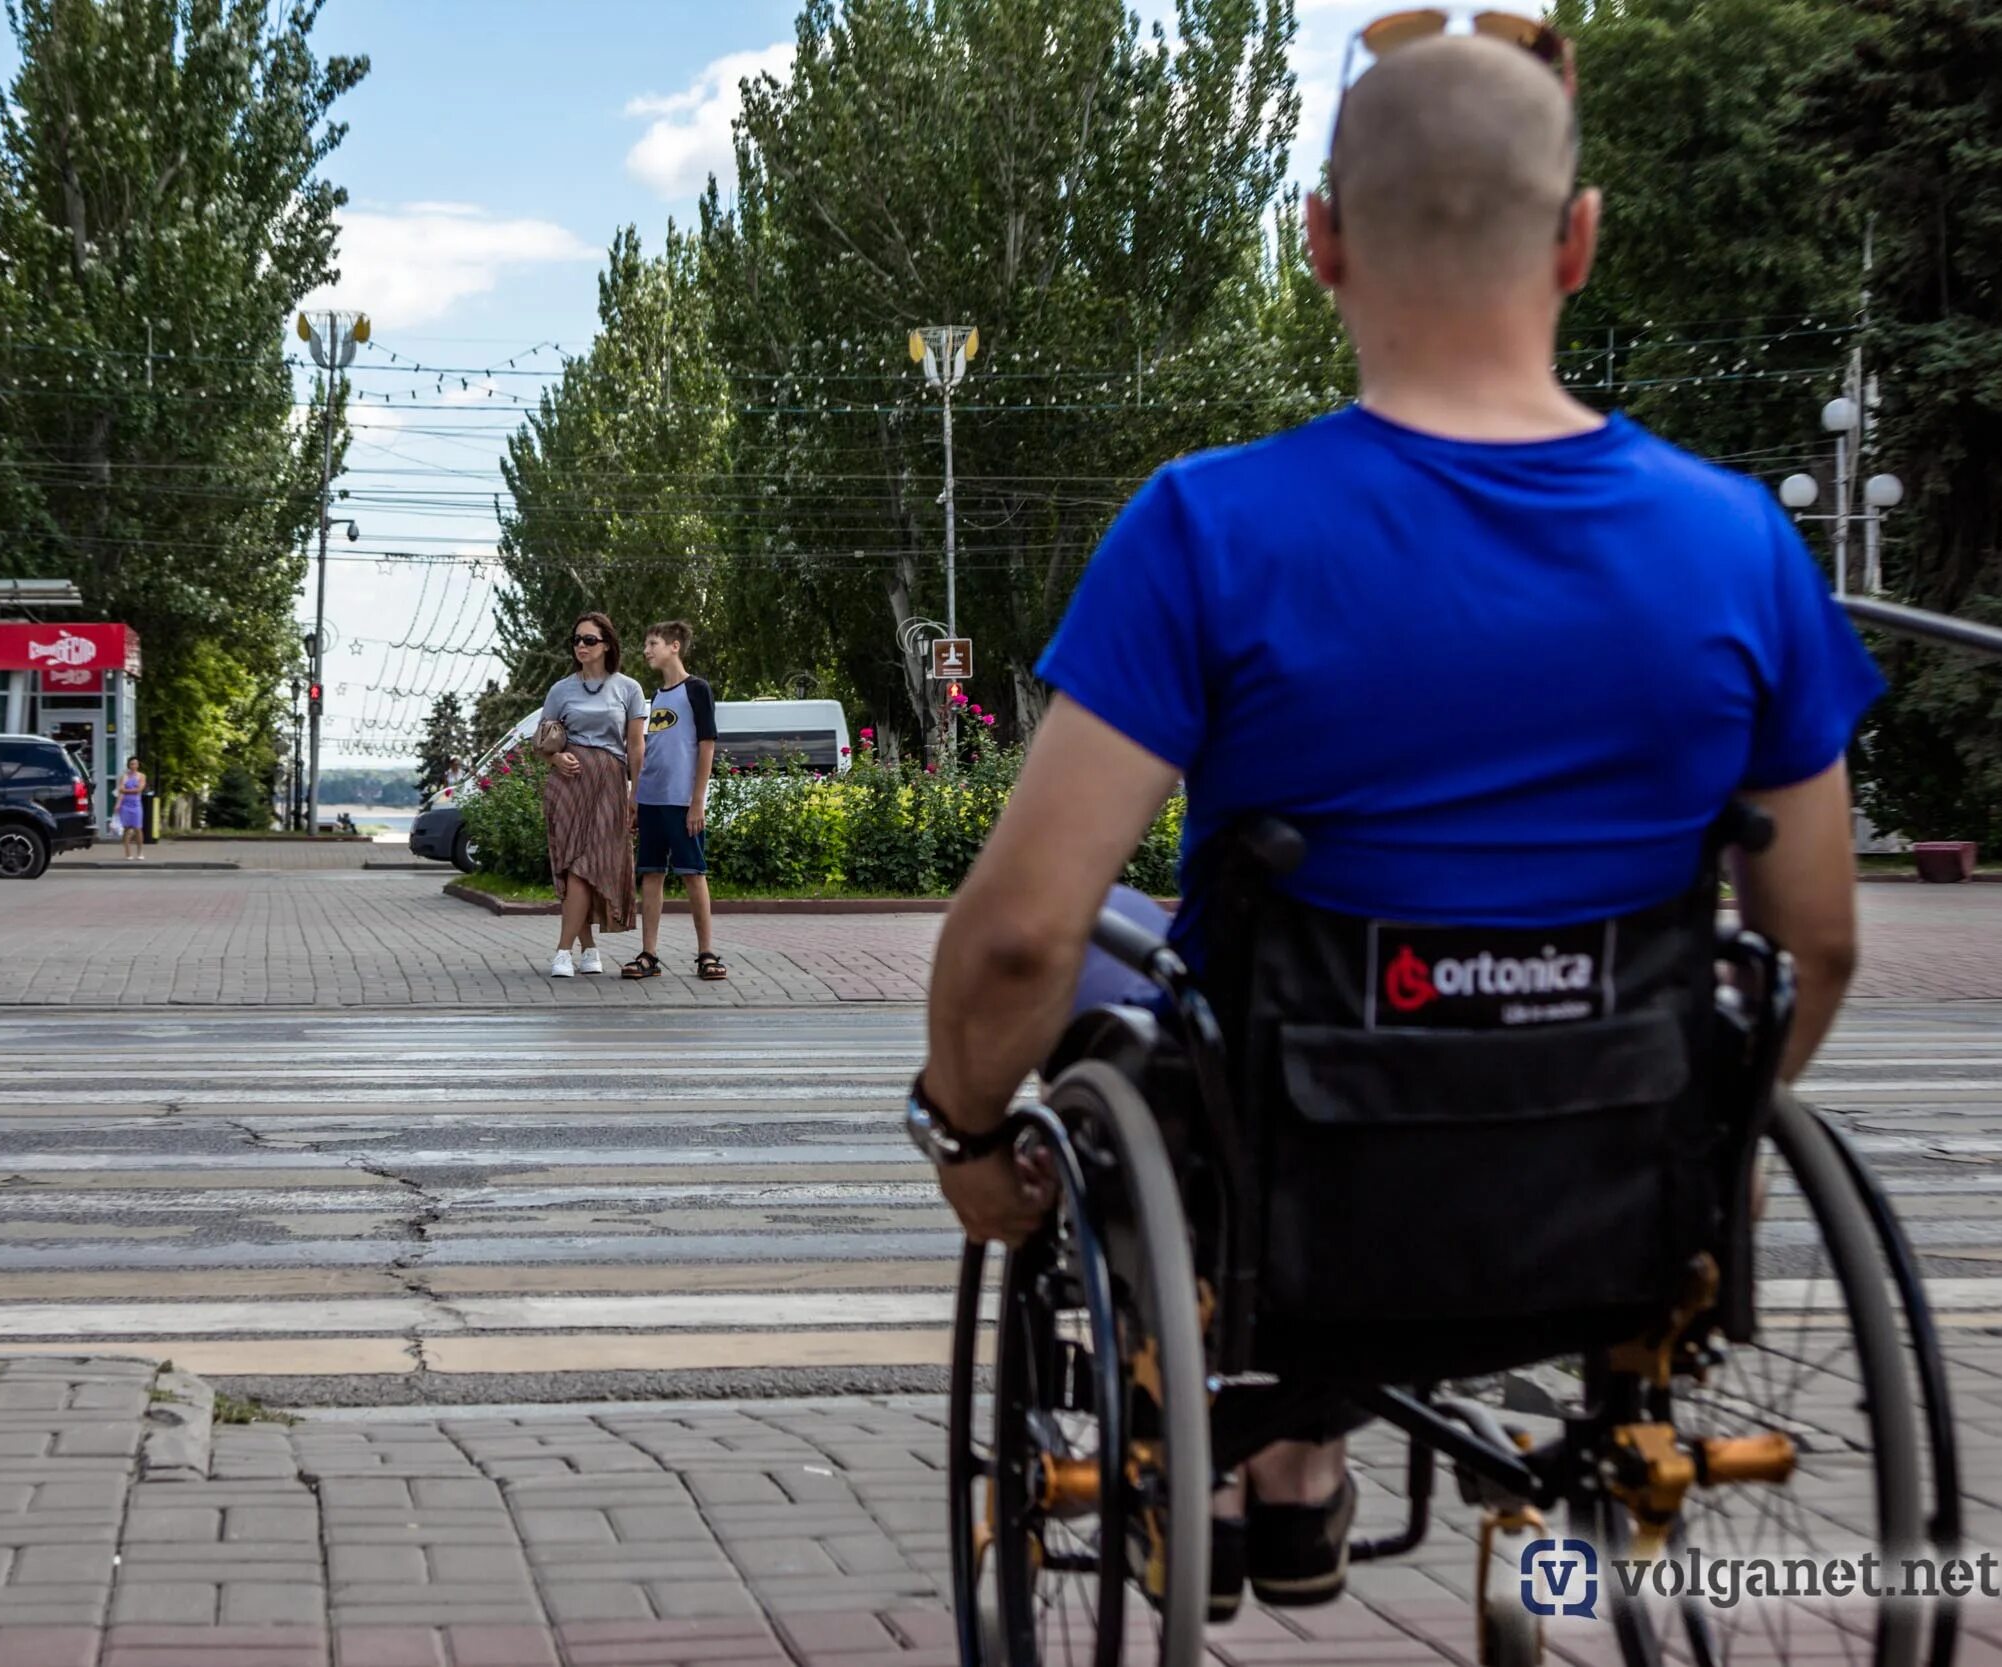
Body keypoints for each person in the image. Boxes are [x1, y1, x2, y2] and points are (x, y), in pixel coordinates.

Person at [916, 21, 1882, 1615]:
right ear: (1578, 238)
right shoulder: (1740, 545)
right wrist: (1700, 1143)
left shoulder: (1209, 528)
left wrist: (964, 1131)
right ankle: (1309, 1454)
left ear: (1320, 242)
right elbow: (1820, 943)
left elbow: (1019, 928)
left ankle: (1273, 1446)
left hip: (1302, 1155)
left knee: (1112, 965)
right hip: (1611, 1164)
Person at [541, 611, 646, 978]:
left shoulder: (629, 688)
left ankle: (563, 951)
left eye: (589, 640)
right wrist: (555, 758)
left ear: (606, 645)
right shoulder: (561, 689)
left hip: (609, 784)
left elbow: (635, 747)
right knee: (573, 866)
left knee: (587, 866)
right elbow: (542, 741)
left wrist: (636, 794)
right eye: (576, 640)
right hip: (568, 786)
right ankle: (585, 949)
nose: (581, 646)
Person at [622, 621, 728, 982]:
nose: (647, 650)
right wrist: (635, 798)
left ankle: (706, 954)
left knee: (693, 874)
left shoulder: (697, 689)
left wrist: (697, 801)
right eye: (646, 644)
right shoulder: (656, 697)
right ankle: (649, 954)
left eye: (653, 643)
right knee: (651, 874)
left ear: (675, 646)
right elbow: (650, 751)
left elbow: (706, 745)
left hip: (682, 803)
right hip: (651, 801)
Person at [115, 756, 146, 860]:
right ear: (128, 765)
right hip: (125, 804)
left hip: (136, 804)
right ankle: (128, 853)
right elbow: (120, 791)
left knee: (138, 828)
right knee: (126, 829)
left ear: (138, 765)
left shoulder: (141, 776)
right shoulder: (124, 776)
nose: (133, 766)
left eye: (135, 764)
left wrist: (125, 790)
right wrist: (118, 804)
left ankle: (140, 852)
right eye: (132, 764)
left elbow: (139, 789)